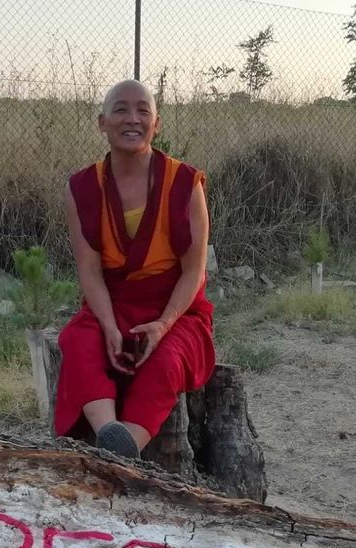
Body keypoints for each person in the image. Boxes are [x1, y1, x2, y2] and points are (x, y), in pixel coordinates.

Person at [54, 79, 215, 459]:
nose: (132, 119)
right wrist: (109, 326)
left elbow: (194, 272)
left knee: (167, 360)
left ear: (156, 124)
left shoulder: (184, 183)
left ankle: (126, 448)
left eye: (143, 110)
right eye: (121, 109)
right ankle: (108, 430)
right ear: (102, 122)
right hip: (113, 303)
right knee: (78, 340)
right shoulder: (82, 187)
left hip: (176, 309)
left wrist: (163, 324)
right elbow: (90, 270)